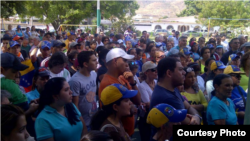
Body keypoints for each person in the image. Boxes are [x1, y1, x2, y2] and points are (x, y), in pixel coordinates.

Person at [150, 57, 201, 140]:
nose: (184, 72)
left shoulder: (172, 89)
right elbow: (190, 122)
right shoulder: (166, 98)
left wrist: (196, 116)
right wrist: (197, 117)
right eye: (180, 69)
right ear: (169, 73)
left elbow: (189, 107)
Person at [98, 48, 141, 136]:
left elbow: (137, 101)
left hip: (126, 132)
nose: (127, 64)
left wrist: (133, 82)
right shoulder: (109, 83)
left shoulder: (122, 77)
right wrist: (131, 108)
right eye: (124, 60)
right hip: (119, 134)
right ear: (115, 61)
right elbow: (112, 113)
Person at [69, 51, 98, 131]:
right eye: (94, 60)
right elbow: (75, 105)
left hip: (94, 119)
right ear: (85, 64)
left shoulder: (94, 74)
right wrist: (82, 124)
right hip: (84, 123)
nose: (97, 62)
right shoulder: (75, 81)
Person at [137, 61, 157, 141]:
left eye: (156, 69)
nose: (156, 71)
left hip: (156, 117)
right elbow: (148, 104)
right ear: (146, 72)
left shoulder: (157, 82)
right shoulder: (142, 86)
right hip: (146, 118)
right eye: (153, 70)